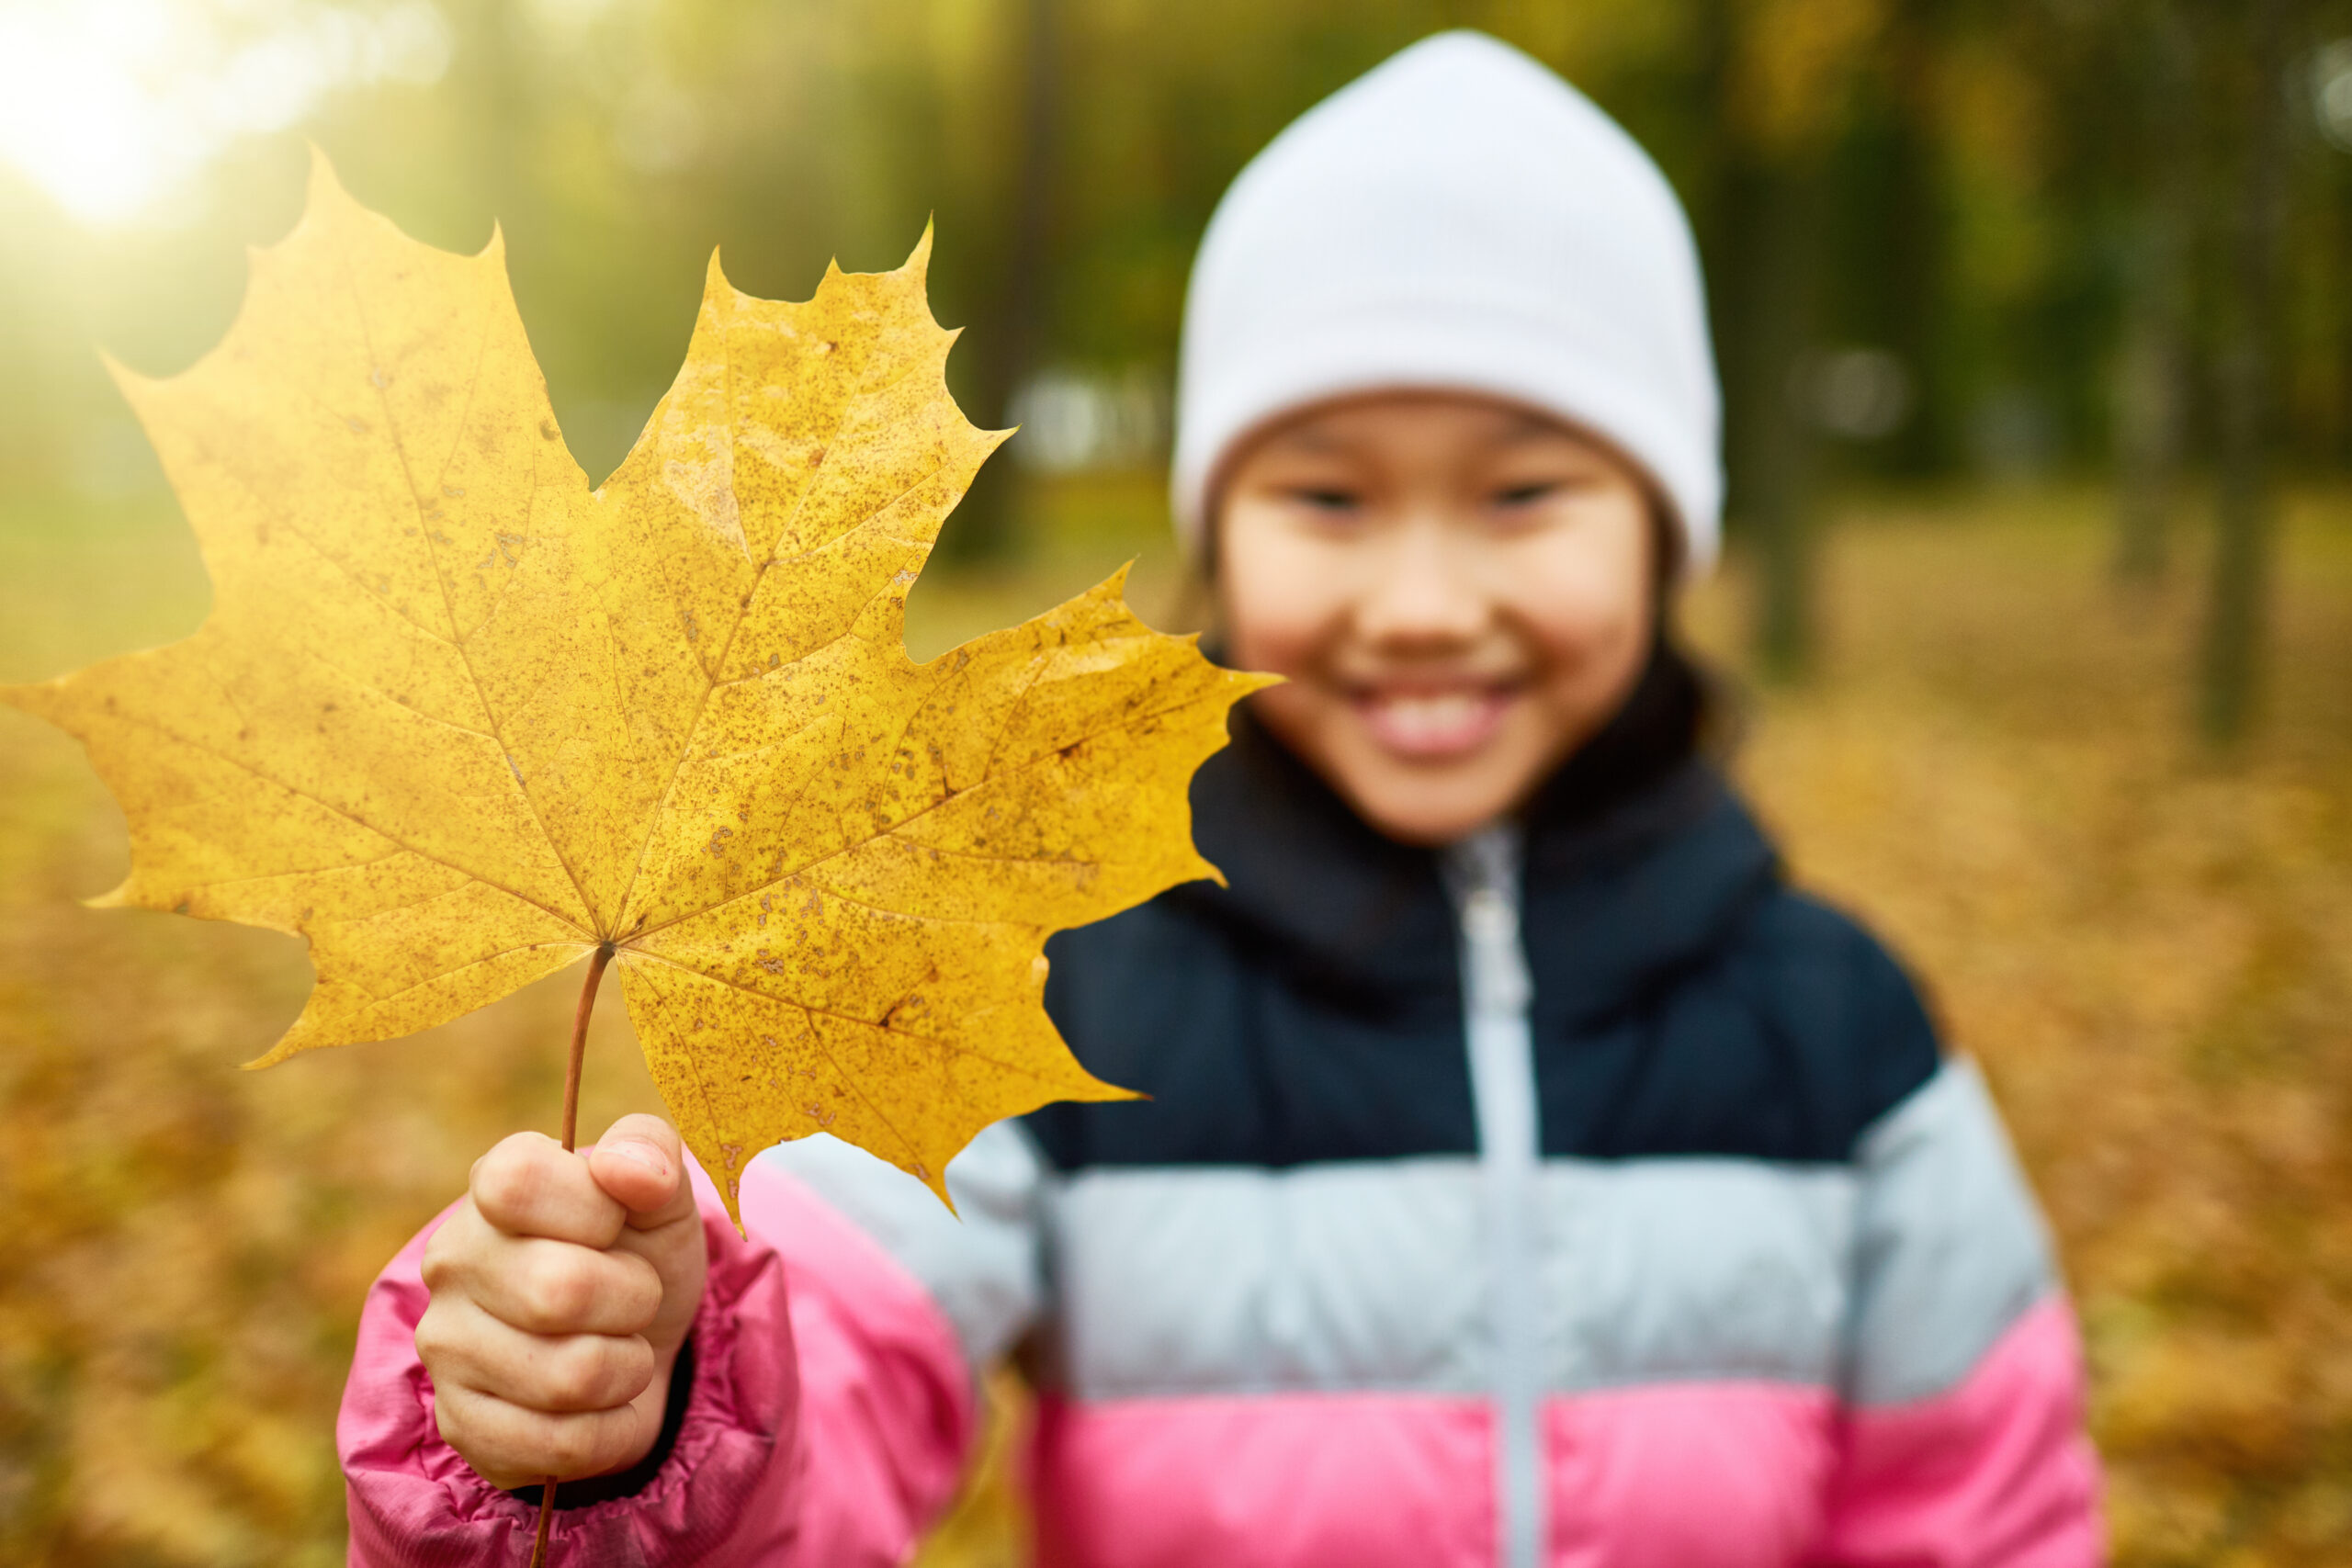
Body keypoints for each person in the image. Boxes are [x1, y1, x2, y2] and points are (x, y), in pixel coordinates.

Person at [338, 31, 2102, 1567]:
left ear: (1666, 526)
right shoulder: (1051, 982)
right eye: (1328, 500)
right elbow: (825, 1397)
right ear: (1216, 534)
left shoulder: (1844, 1041)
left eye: (1525, 495)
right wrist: (634, 1407)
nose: (1421, 601)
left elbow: (1985, 1522)